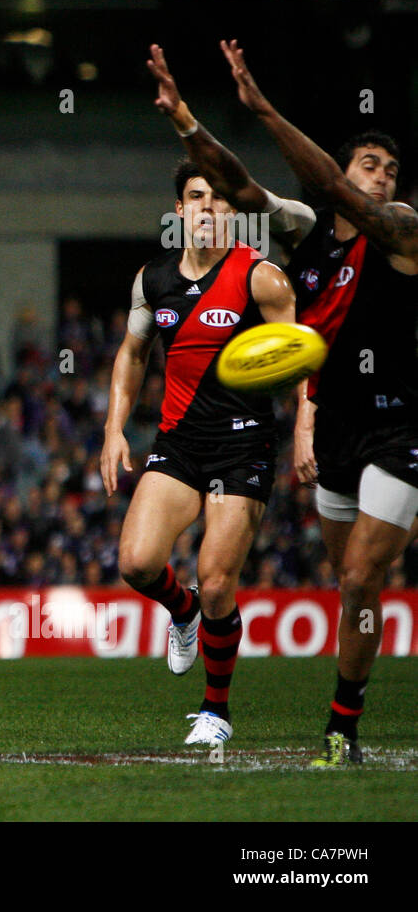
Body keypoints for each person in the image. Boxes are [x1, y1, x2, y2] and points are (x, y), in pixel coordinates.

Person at [219, 40, 418, 766]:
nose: (384, 178)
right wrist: (186, 119)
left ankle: (342, 727)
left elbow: (334, 188)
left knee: (365, 574)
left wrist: (263, 107)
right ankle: (352, 705)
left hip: (400, 424)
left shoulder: (402, 235)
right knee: (351, 585)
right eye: (371, 165)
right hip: (334, 421)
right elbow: (241, 188)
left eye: (392, 170)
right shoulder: (306, 236)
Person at [100, 155, 296, 747]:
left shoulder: (261, 277)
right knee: (135, 563)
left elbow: (305, 352)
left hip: (244, 445)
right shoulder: (151, 279)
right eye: (195, 197)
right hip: (179, 444)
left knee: (218, 583)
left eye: (218, 199)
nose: (207, 208)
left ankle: (217, 711)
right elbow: (133, 355)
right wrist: (114, 429)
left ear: (234, 212)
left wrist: (305, 422)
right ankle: (179, 611)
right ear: (179, 210)